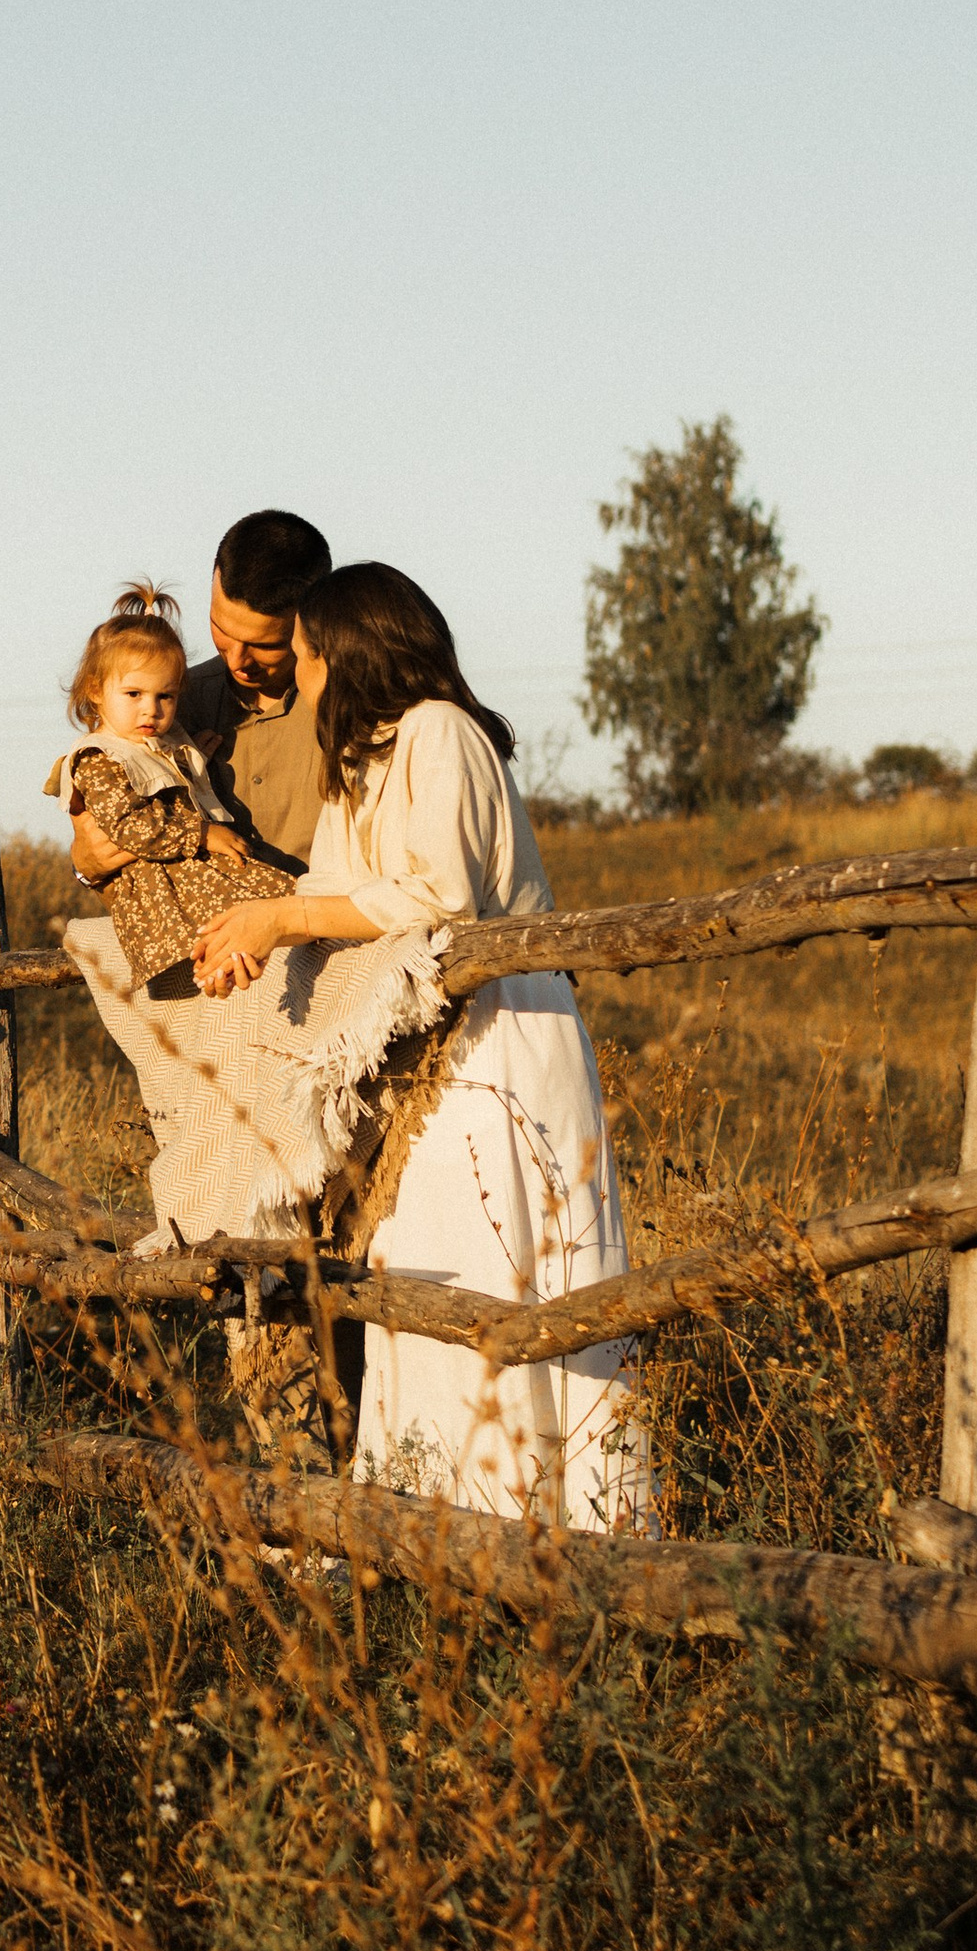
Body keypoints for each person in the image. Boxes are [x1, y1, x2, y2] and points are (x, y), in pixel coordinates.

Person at [190, 561, 648, 1530]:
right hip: (424, 1044)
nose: (297, 680)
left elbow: (437, 897)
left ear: (345, 656)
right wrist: (256, 937)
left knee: (495, 1259)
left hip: (495, 1032)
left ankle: (546, 1522)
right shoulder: (360, 759)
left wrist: (282, 917)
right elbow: (337, 897)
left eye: (306, 658)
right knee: (426, 1266)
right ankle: (442, 1521)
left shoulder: (439, 732)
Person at [57, 510, 334, 1247]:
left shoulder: (342, 707)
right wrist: (98, 855)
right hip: (220, 978)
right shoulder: (170, 698)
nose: (237, 658)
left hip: (320, 965)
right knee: (236, 1185)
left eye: (263, 645)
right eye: (222, 631)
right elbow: (97, 847)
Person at [41, 588, 293, 988]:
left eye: (166, 696)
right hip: (167, 892)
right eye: (134, 694)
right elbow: (130, 824)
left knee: (284, 903)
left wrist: (196, 763)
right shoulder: (99, 758)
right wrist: (202, 833)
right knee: (253, 919)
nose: (151, 709)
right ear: (94, 690)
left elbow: (168, 790)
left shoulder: (160, 743)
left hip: (190, 877)